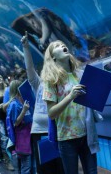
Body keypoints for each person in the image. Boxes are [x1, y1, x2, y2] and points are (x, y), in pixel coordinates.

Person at [41, 40, 100, 174]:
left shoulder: (79, 74)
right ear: (53, 57)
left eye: (63, 44)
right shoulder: (51, 80)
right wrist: (70, 96)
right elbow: (51, 113)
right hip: (67, 138)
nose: (62, 46)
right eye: (57, 46)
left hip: (87, 134)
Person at [21, 32, 64, 174]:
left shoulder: (62, 83)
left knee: (61, 168)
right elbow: (30, 69)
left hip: (60, 131)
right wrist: (26, 48)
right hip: (41, 132)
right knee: (45, 168)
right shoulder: (39, 84)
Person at [7, 80, 33, 174]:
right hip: (22, 139)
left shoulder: (22, 101)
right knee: (26, 167)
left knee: (28, 166)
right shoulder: (14, 104)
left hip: (28, 138)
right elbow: (16, 123)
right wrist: (24, 110)